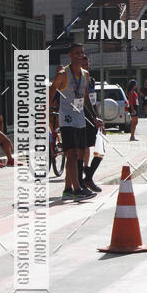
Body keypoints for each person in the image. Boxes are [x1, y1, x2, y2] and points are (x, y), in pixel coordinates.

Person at [49, 43, 103, 201]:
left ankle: (69, 188)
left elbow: (86, 97)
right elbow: (51, 92)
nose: (80, 55)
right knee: (71, 153)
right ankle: (78, 188)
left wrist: (94, 116)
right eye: (77, 53)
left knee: (79, 154)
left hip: (80, 118)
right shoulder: (62, 74)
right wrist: (44, 114)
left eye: (82, 52)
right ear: (70, 55)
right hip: (66, 118)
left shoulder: (85, 74)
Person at [81, 56, 104, 192]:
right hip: (81, 118)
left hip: (92, 118)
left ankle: (88, 176)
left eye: (87, 64)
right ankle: (84, 178)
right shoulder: (76, 80)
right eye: (83, 64)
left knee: (99, 149)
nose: (86, 66)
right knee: (83, 148)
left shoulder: (91, 81)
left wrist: (98, 117)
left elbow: (93, 101)